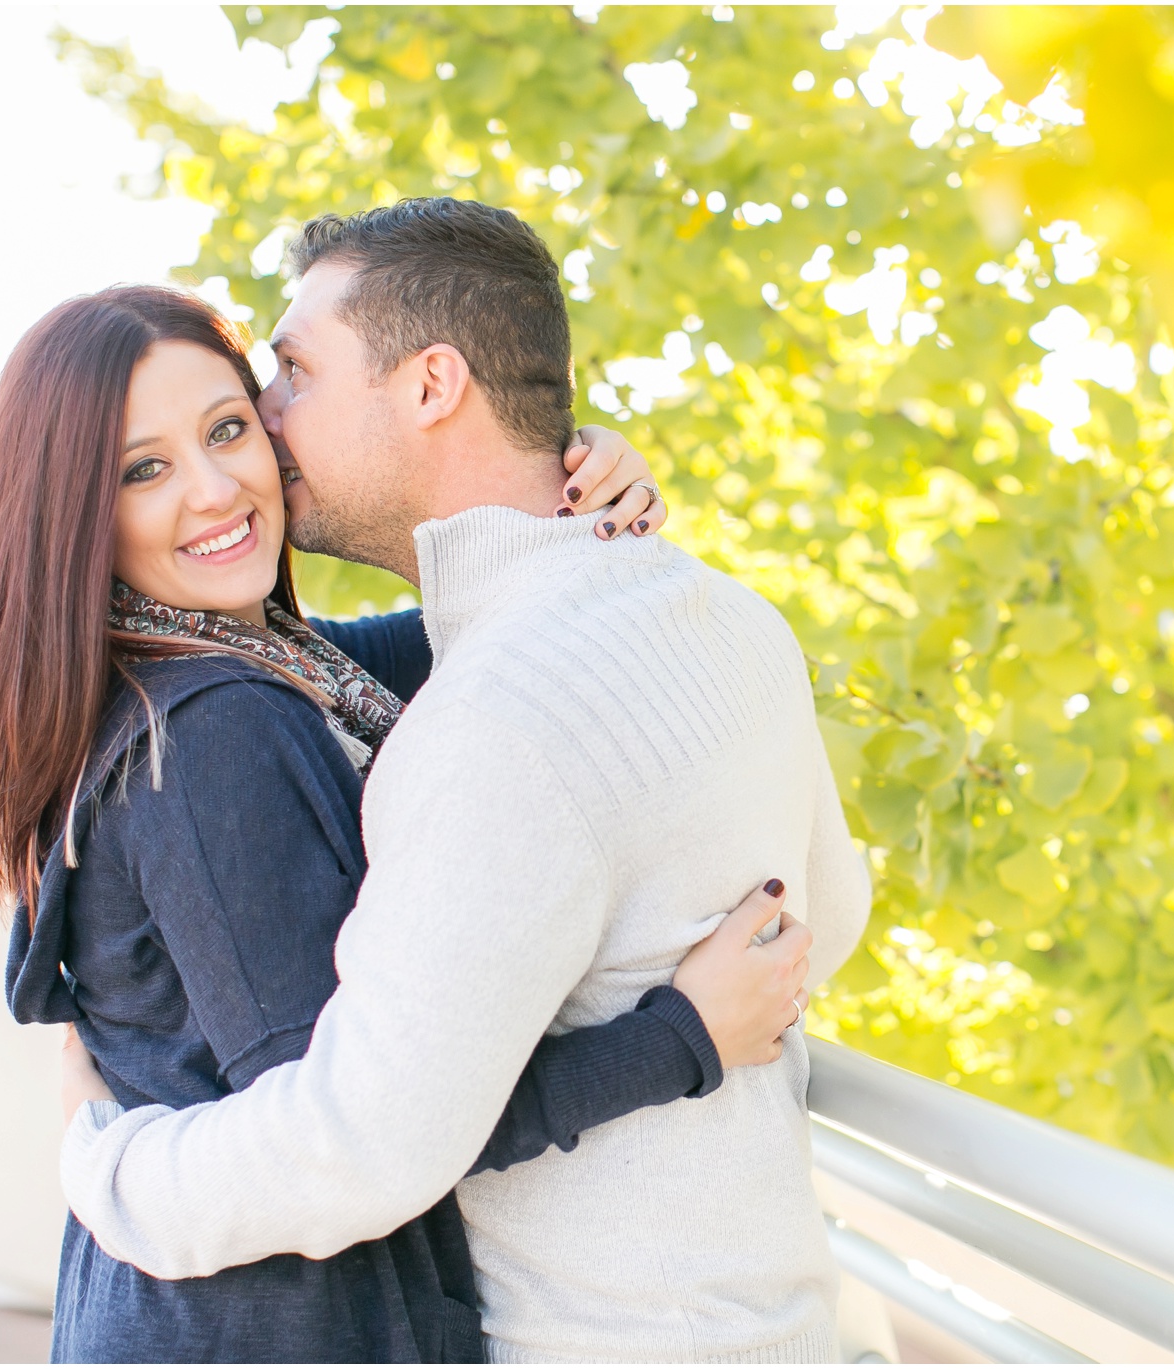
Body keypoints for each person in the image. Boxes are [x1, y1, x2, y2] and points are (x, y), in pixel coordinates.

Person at [56, 197, 873, 1362]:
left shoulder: (483, 714)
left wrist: (106, 1163)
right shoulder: (732, 617)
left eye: (289, 377)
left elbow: (362, 1143)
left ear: (433, 384)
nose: (269, 428)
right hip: (777, 1311)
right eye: (149, 464)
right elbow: (823, 925)